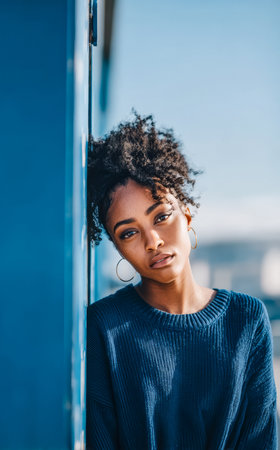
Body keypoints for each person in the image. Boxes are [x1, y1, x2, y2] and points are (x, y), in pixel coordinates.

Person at [86, 112, 278, 449]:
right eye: (129, 232)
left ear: (186, 214)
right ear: (117, 248)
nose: (153, 241)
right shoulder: (105, 327)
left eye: (161, 216)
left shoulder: (246, 319)